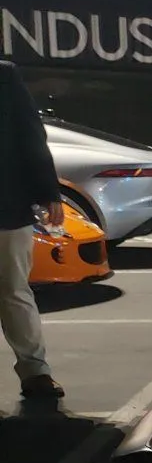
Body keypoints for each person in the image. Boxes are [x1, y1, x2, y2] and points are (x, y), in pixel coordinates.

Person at [0, 60, 64, 402]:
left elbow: (30, 133)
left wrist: (49, 192)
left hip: (6, 207)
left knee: (14, 291)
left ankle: (35, 372)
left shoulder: (5, 76)